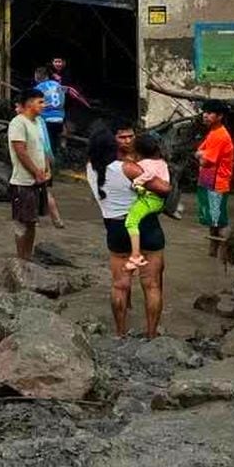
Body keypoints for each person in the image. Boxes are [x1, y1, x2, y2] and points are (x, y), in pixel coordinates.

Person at [86, 127, 169, 338]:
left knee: (119, 286)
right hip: (146, 227)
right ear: (113, 145)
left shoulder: (89, 169)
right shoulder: (127, 169)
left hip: (115, 229)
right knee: (151, 285)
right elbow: (163, 188)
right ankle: (151, 335)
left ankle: (120, 333)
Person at [8, 88, 49, 260]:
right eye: (40, 102)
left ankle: (28, 256)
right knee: (22, 222)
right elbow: (20, 151)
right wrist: (36, 171)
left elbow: (43, 147)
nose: (44, 105)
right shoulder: (18, 123)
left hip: (37, 180)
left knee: (32, 221)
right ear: (29, 103)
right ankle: (21, 258)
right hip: (22, 181)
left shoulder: (38, 122)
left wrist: (47, 169)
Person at [196, 99, 234, 258]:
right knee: (212, 219)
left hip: (217, 182)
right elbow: (199, 151)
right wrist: (200, 155)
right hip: (208, 179)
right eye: (204, 112)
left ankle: (224, 254)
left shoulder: (219, 136)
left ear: (219, 116)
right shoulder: (213, 132)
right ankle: (213, 252)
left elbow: (204, 159)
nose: (205, 115)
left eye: (209, 113)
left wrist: (200, 156)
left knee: (219, 220)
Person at [124, 133, 168, 270]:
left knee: (131, 221)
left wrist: (137, 181)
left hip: (151, 198)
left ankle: (135, 256)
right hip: (159, 200)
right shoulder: (162, 162)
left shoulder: (144, 164)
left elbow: (149, 174)